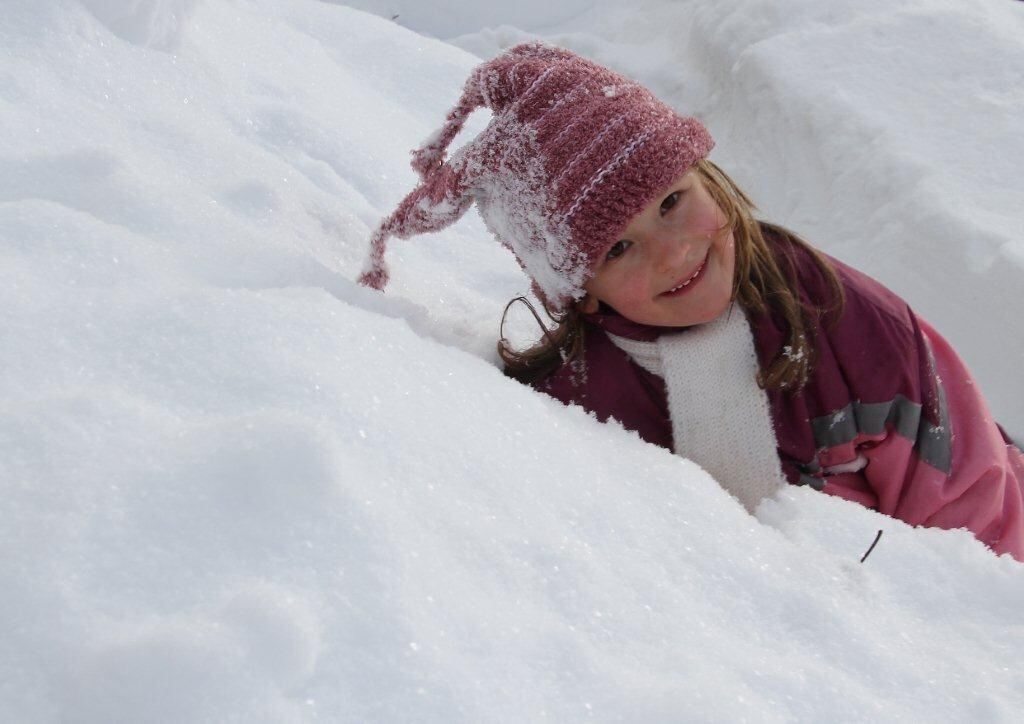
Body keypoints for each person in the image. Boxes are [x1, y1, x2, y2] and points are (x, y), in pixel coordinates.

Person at [357, 42, 1024, 560]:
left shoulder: (846, 321)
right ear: (581, 297)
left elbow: (973, 502)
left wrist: (970, 628)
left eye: (672, 203)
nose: (673, 253)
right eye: (617, 250)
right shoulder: (580, 398)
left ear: (710, 180)